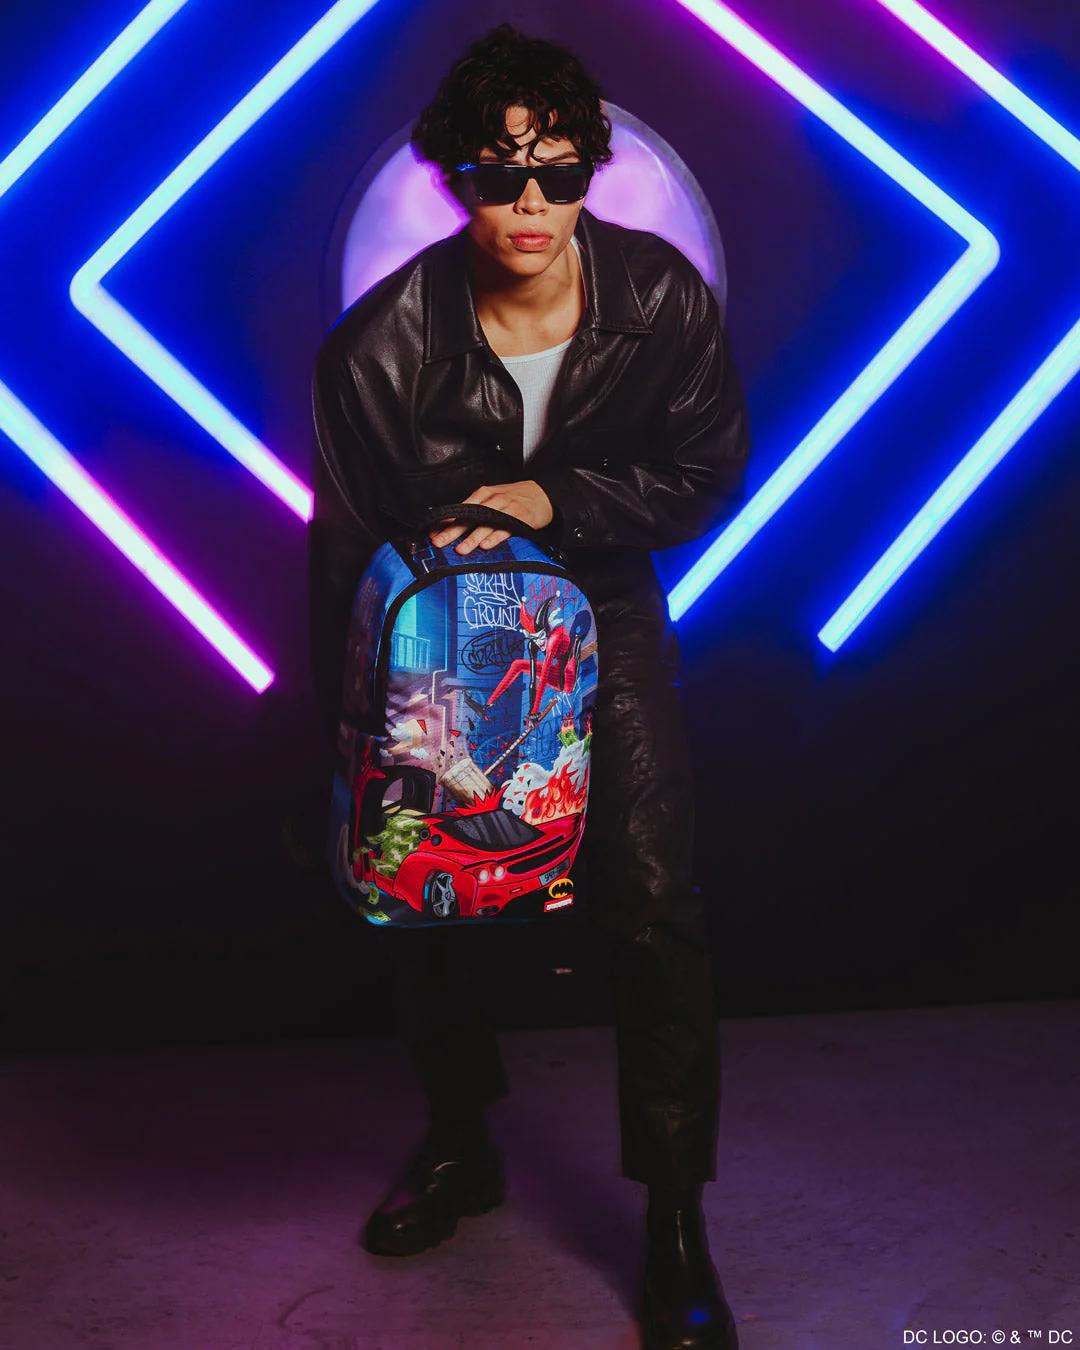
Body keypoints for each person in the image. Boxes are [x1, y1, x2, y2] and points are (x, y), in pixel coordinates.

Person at [308, 23, 751, 1350]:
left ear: (590, 172)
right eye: (500, 175)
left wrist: (554, 497)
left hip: (604, 622)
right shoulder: (378, 351)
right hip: (443, 643)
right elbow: (344, 557)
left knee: (655, 902)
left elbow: (707, 471)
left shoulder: (660, 299)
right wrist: (353, 753)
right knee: (423, 892)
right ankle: (461, 1144)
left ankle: (675, 1221)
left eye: (557, 172)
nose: (531, 203)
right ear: (456, 179)